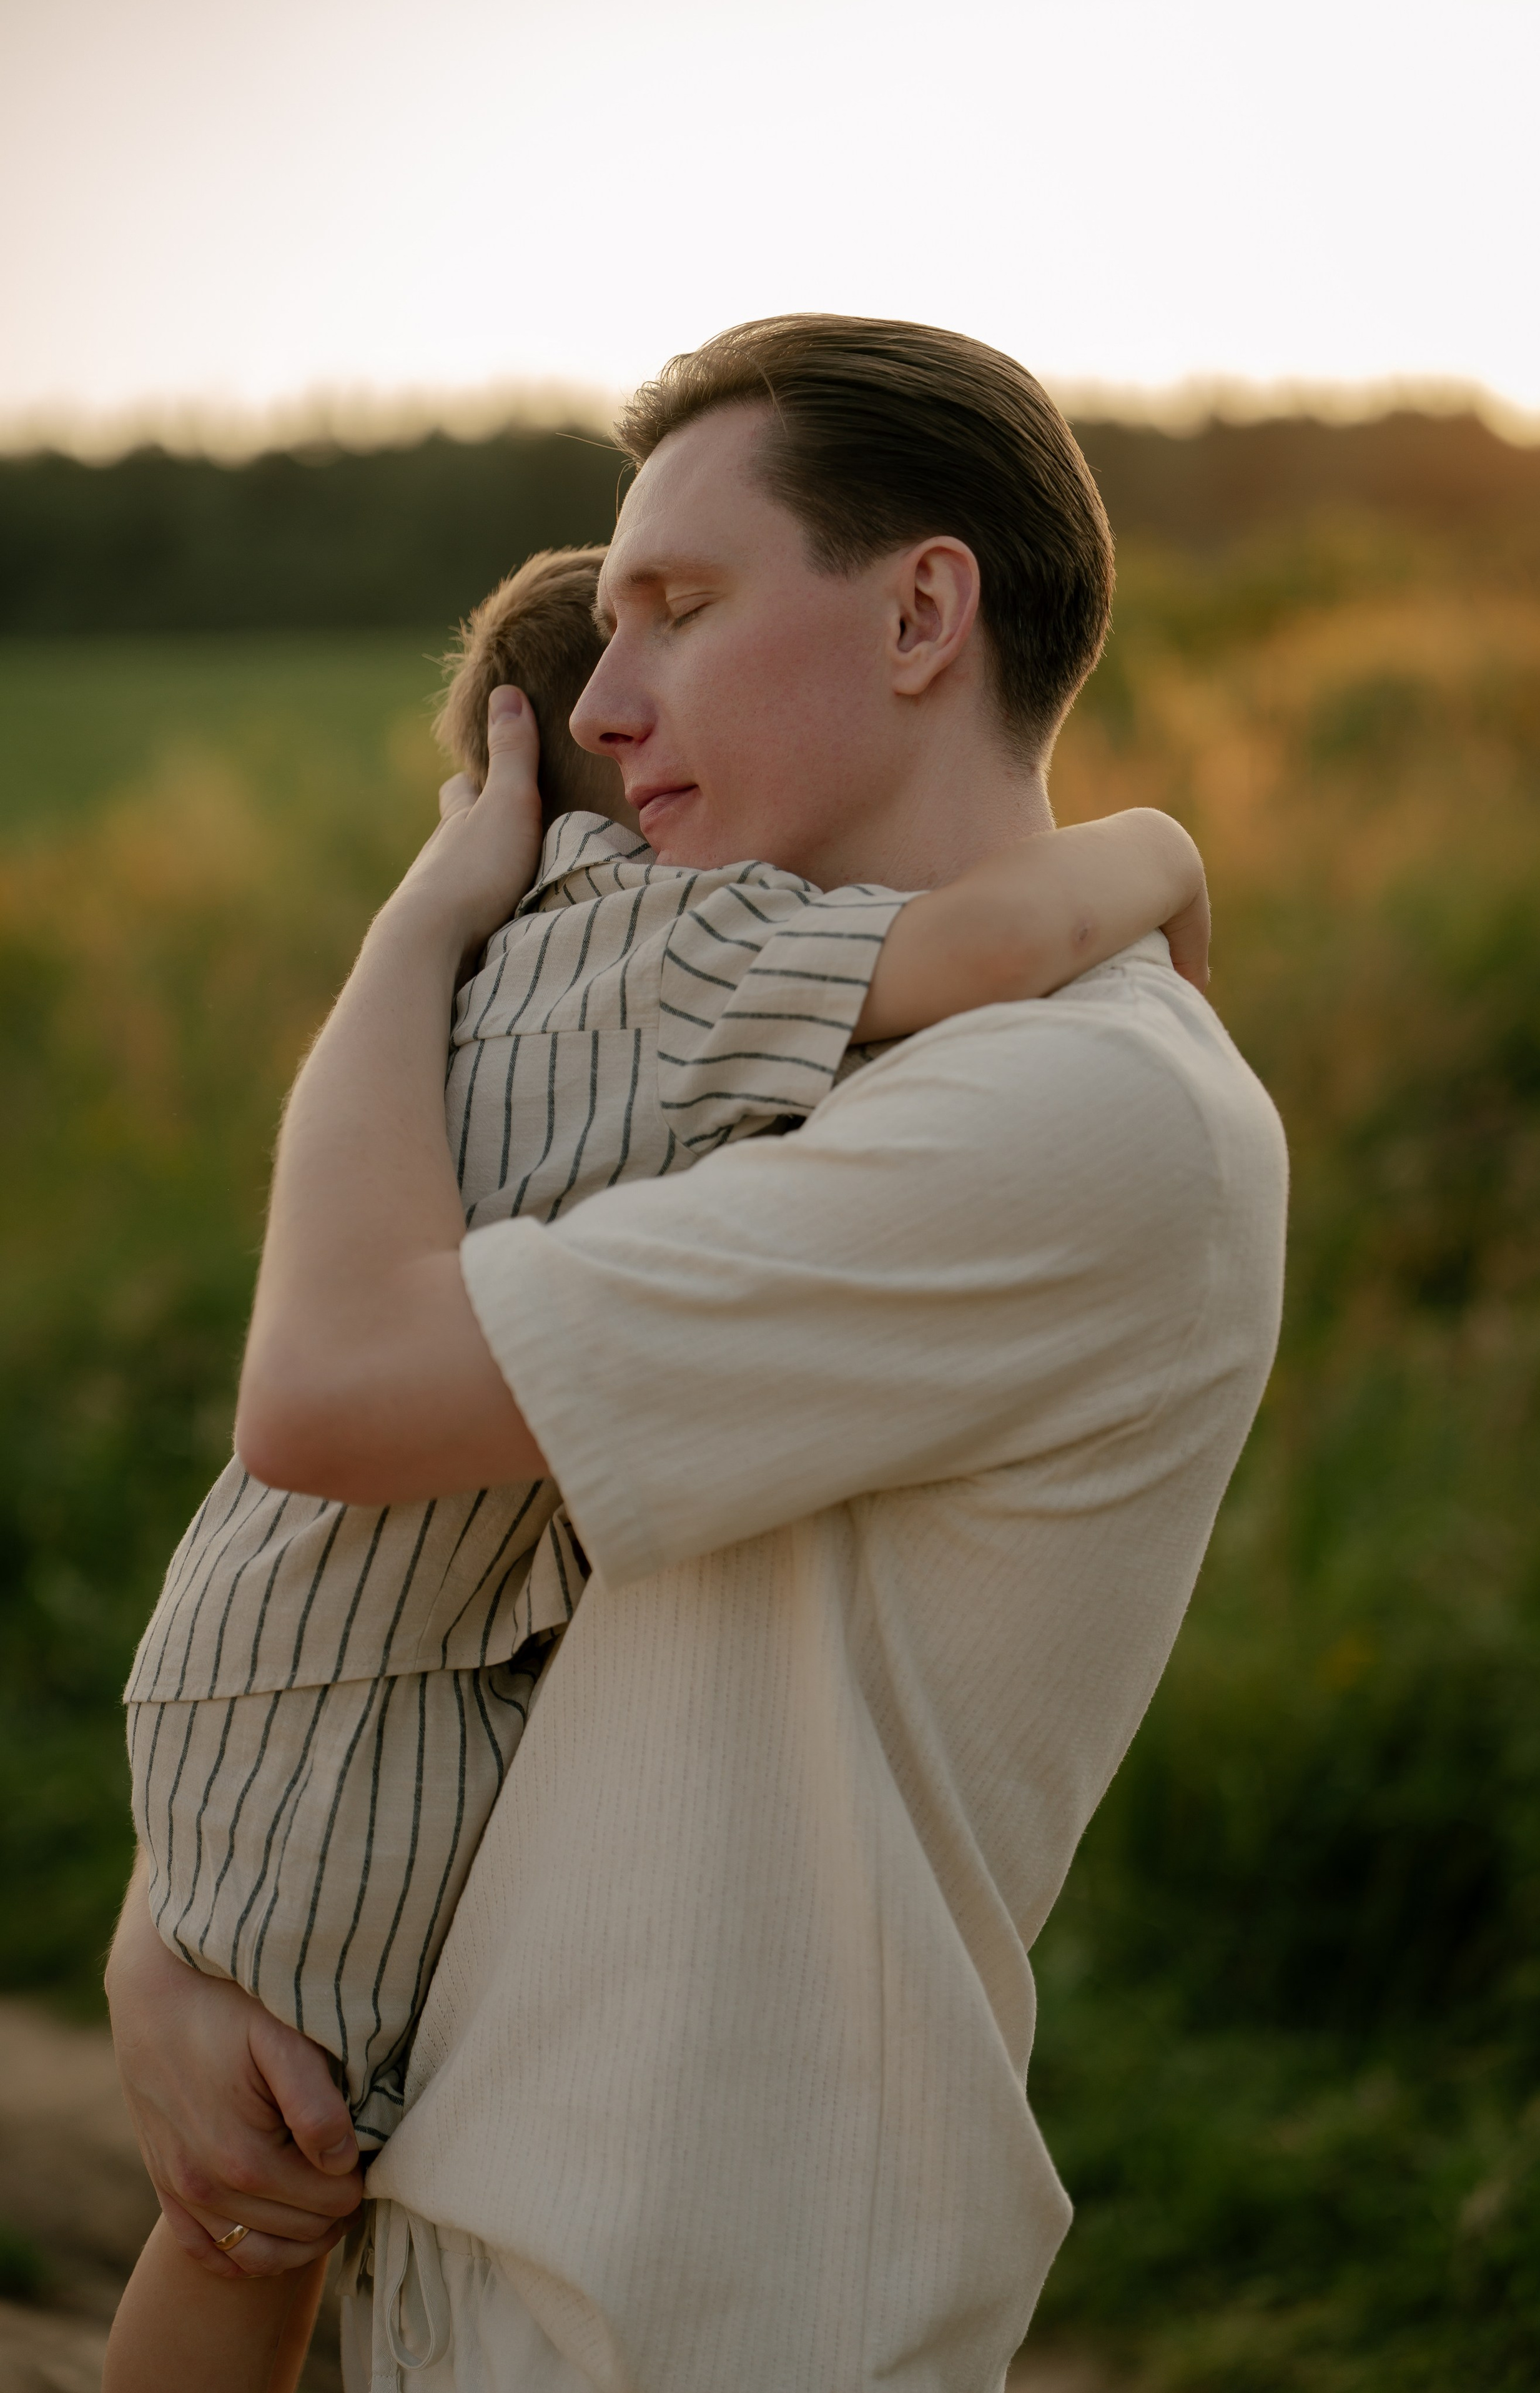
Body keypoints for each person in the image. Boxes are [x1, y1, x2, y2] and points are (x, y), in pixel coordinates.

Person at [105, 315, 1287, 2393]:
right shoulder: (737, 1073)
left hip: (699, 2299)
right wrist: (189, 1925)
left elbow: (341, 1402)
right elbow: (434, 1582)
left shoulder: (1075, 1115)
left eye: (678, 607)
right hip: (477, 2254)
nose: (610, 699)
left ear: (927, 610)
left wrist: (415, 924)